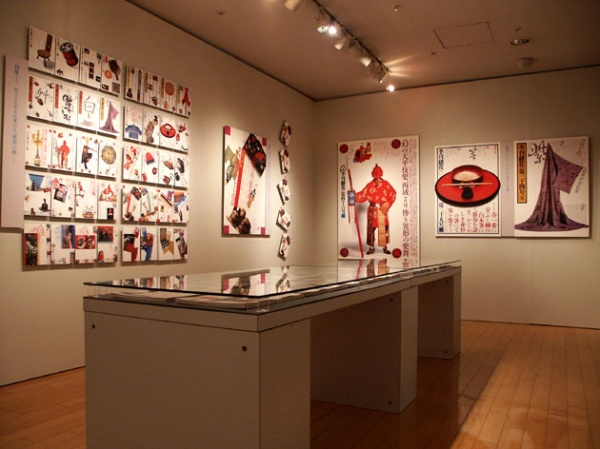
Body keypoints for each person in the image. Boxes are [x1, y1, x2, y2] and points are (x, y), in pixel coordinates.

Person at [354, 164, 396, 255]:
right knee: (371, 229)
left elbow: (393, 193)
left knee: (384, 228)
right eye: (375, 175)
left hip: (382, 209)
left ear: (381, 174)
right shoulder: (369, 185)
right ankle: (371, 247)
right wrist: (353, 195)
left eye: (378, 175)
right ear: (372, 174)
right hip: (372, 209)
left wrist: (387, 205)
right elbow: (363, 195)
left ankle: (385, 247)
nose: (377, 178)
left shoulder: (386, 184)